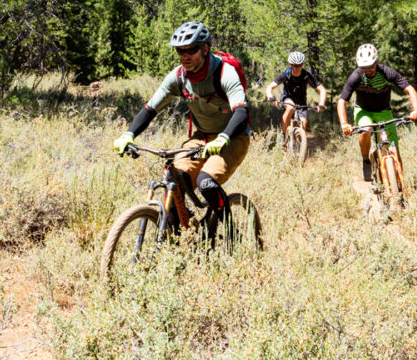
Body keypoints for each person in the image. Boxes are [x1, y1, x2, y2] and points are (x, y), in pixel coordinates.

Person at [113, 21, 250, 218]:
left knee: (206, 182)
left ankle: (230, 235)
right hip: (202, 136)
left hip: (234, 137)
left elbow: (241, 111)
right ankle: (179, 232)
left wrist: (224, 138)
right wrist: (128, 134)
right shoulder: (178, 77)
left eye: (191, 50)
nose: (185, 56)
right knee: (175, 177)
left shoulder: (224, 72)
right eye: (180, 51)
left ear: (205, 49)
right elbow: (151, 109)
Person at [337, 43, 417, 181]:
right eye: (364, 68)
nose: (367, 70)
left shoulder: (387, 73)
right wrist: (344, 124)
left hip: (383, 110)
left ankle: (399, 184)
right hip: (363, 110)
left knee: (394, 149)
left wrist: (416, 109)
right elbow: (342, 101)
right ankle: (366, 160)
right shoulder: (356, 76)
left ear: (376, 62)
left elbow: (409, 90)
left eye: (370, 66)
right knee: (366, 130)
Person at [264, 51, 327, 143]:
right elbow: (270, 87)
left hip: (301, 101)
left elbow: (322, 90)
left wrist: (321, 104)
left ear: (302, 64)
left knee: (303, 123)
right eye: (295, 65)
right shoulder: (286, 74)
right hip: (287, 98)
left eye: (300, 65)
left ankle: (298, 147)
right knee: (290, 108)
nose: (297, 68)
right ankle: (282, 134)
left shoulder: (306, 75)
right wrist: (270, 97)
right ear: (290, 64)